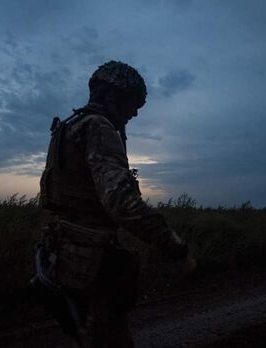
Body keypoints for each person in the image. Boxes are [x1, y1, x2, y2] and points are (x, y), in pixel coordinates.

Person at [36, 60, 194, 347]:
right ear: (110, 96)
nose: (134, 112)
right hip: (91, 260)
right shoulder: (99, 127)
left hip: (65, 254)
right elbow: (121, 203)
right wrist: (174, 246)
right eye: (131, 103)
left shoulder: (70, 127)